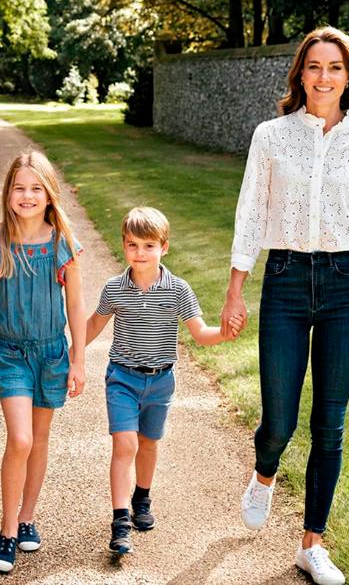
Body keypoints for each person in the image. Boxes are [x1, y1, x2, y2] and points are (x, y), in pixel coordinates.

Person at [221, 26, 349, 585]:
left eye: (336, 67)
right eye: (315, 66)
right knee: (279, 419)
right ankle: (265, 472)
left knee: (331, 422)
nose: (324, 76)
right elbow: (251, 212)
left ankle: (311, 544)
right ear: (300, 73)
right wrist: (235, 288)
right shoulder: (271, 135)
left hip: (344, 283)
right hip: (286, 280)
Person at [85, 207, 240, 556]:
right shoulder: (114, 289)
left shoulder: (178, 290)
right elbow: (94, 325)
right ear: (123, 246)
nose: (140, 253)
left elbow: (199, 333)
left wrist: (225, 334)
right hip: (122, 378)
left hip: (160, 383)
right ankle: (120, 521)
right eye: (132, 245)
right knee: (125, 445)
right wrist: (71, 354)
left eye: (149, 246)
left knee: (149, 443)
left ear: (164, 247)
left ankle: (142, 497)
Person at [0, 150, 87, 574]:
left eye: (36, 188)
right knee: (19, 439)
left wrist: (78, 359)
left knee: (38, 439)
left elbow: (75, 304)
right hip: (12, 352)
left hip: (52, 353)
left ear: (50, 195)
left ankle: (27, 516)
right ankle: (6, 530)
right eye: (19, 187)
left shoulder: (62, 244)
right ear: (8, 193)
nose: (27, 195)